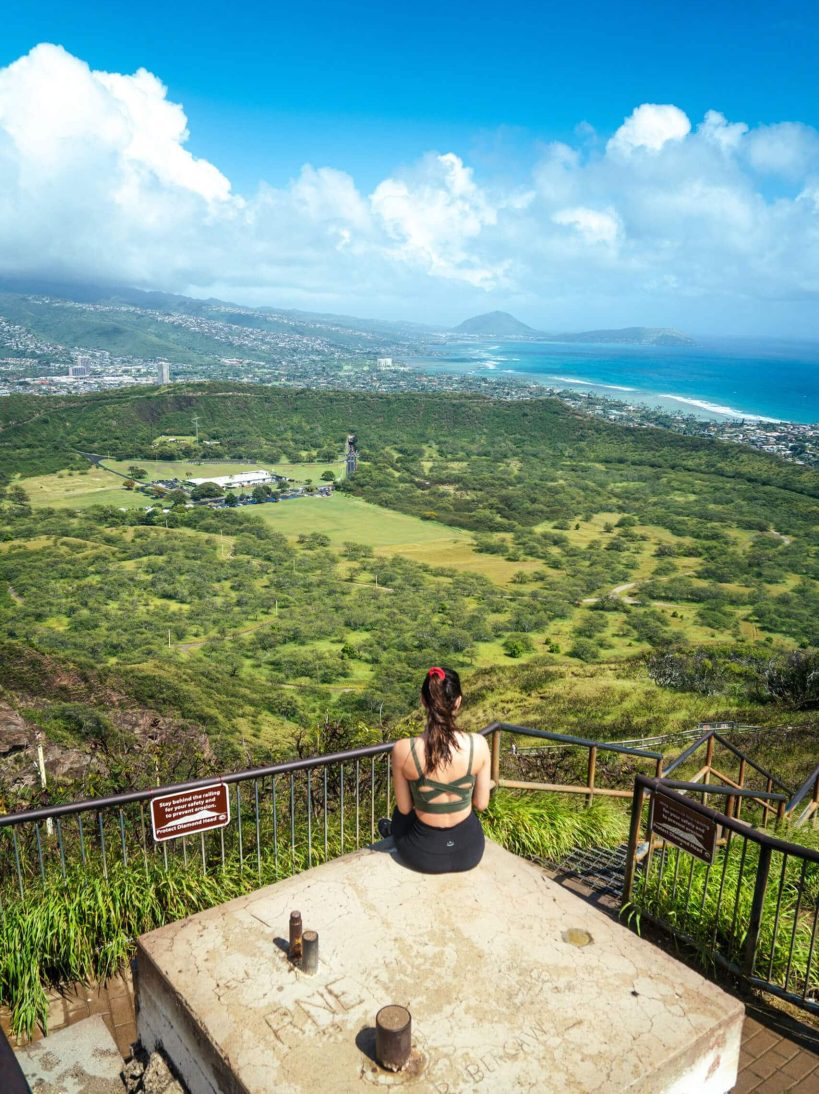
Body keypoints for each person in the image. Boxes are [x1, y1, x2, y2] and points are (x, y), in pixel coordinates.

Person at [378, 666, 491, 874]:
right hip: (470, 851)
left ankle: (387, 829)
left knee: (400, 813)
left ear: (423, 700)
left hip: (423, 854)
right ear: (458, 702)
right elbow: (481, 804)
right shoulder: (479, 745)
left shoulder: (404, 749)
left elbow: (404, 809)